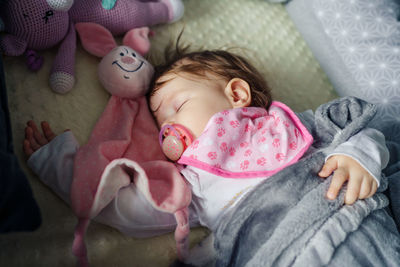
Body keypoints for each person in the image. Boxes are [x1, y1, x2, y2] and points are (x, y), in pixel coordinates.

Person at [23, 47, 389, 242]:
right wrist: (63, 165)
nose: (168, 127)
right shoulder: (193, 182)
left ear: (236, 93)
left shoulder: (289, 126)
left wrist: (356, 156)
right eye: (161, 122)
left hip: (351, 221)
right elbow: (129, 213)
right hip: (281, 252)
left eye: (178, 107)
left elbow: (361, 130)